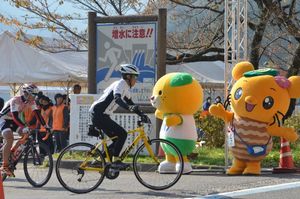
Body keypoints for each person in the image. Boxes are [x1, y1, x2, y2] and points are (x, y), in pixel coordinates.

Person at [89, 64, 148, 169]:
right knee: (122, 134)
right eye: (135, 77)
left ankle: (99, 160)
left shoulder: (125, 87)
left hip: (102, 115)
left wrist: (142, 114)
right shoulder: (120, 84)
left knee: (117, 139)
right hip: (98, 113)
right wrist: (128, 108)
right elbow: (117, 98)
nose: (136, 80)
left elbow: (130, 103)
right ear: (128, 77)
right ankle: (115, 161)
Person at [0, 84, 50, 176]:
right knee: (9, 138)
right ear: (26, 93)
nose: (35, 97)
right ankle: (4, 165)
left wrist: (46, 126)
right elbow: (15, 116)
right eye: (33, 95)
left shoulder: (31, 102)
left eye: (36, 95)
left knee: (26, 135)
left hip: (13, 121)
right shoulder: (15, 100)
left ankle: (12, 151)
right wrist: (23, 126)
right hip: (3, 119)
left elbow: (38, 115)